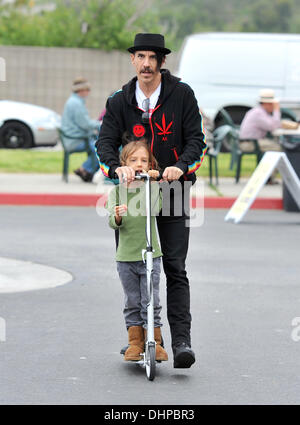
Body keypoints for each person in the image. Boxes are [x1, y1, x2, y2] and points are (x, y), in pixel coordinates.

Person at [96, 33, 207, 368]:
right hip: (133, 196)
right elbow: (104, 144)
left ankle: (182, 342)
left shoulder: (182, 95)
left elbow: (197, 142)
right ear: (133, 60)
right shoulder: (119, 100)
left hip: (171, 192)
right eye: (140, 56)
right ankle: (140, 338)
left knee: (174, 267)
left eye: (152, 58)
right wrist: (117, 168)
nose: (146, 64)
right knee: (134, 267)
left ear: (161, 62)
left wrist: (180, 167)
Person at [105, 139, 168, 362]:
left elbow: (155, 209)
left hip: (151, 255)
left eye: (143, 160)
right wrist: (118, 214)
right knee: (132, 301)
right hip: (126, 257)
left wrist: (152, 182)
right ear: (124, 164)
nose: (138, 164)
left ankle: (156, 342)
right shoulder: (116, 192)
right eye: (133, 160)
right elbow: (113, 222)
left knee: (152, 300)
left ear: (150, 164)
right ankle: (135, 343)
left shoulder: (152, 188)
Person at [61, 77, 100, 182]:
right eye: (88, 89)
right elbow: (85, 124)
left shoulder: (73, 101)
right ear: (81, 91)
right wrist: (100, 125)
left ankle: (85, 169)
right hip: (75, 140)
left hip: (72, 138)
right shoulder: (76, 104)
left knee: (98, 145)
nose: (89, 92)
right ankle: (85, 169)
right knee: (101, 148)